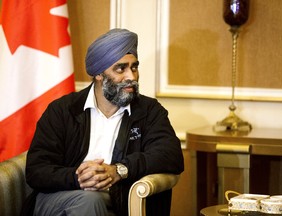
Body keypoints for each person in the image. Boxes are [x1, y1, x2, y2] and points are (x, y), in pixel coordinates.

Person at [22, 28, 184, 216]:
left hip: (119, 202)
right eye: (121, 68)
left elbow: (170, 155)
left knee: (94, 202)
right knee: (90, 201)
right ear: (99, 74)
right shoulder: (62, 110)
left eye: (134, 67)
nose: (131, 77)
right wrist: (78, 178)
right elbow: (36, 170)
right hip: (62, 198)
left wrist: (120, 170)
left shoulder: (148, 111)